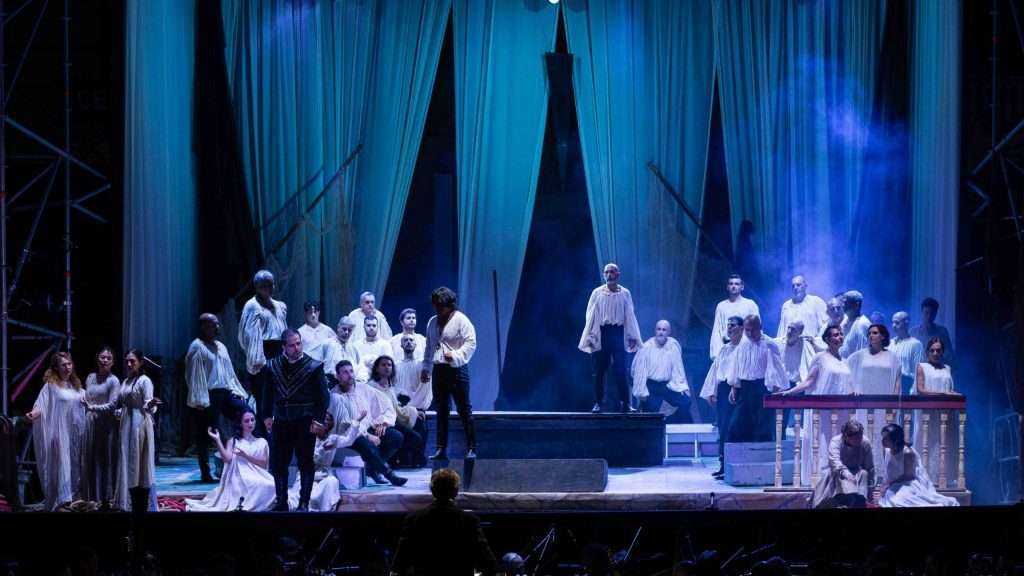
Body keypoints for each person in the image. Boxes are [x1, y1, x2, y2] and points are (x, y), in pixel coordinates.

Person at [259, 329, 330, 512]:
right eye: (292, 345)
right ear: (284, 347)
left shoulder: (313, 366)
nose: (296, 348)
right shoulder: (272, 366)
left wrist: (318, 420)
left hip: (305, 421)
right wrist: (266, 416)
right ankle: (281, 501)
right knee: (278, 463)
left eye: (298, 343)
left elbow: (323, 398)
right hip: (281, 421)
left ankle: (304, 503)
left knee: (305, 462)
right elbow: (266, 394)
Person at [83, 349, 160, 511]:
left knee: (139, 463)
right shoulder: (126, 381)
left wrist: (151, 404)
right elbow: (123, 405)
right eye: (127, 361)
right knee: (128, 462)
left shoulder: (144, 380)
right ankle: (128, 502)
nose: (129, 364)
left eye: (133, 361)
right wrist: (119, 413)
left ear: (141, 362)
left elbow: (148, 405)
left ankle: (141, 505)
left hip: (139, 424)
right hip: (126, 424)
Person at [390, 468, 498, 576]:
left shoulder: (414, 519)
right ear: (456, 491)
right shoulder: (469, 520)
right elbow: (488, 562)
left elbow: (400, 563)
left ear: (432, 490)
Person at [784, 326, 854, 485]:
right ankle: (822, 478)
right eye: (835, 335)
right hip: (823, 410)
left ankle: (839, 477)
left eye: (841, 334)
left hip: (841, 410)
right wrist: (790, 392)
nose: (839, 337)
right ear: (827, 339)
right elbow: (809, 381)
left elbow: (846, 384)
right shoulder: (820, 358)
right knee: (823, 442)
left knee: (839, 442)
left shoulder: (845, 361)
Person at [185, 313, 250, 482]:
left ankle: (244, 459)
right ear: (204, 327)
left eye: (217, 324)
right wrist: (199, 400)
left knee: (245, 412)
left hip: (225, 392)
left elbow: (228, 372)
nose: (216, 327)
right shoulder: (197, 347)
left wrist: (235, 390)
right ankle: (206, 471)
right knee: (207, 432)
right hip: (207, 394)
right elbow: (194, 376)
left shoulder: (220, 346)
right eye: (213, 324)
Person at [329, 360, 408, 485]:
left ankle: (373, 469)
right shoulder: (335, 396)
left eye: (351, 371)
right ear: (338, 376)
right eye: (345, 372)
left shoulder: (363, 388)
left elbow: (386, 403)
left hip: (368, 428)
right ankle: (389, 474)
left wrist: (383, 423)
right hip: (349, 434)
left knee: (396, 436)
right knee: (365, 444)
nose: (350, 375)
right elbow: (345, 425)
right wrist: (368, 436)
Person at [422, 286, 479, 459]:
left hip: (456, 370)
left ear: (450, 305)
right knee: (441, 409)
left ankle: (471, 447)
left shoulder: (461, 320)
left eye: (441, 306)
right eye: (436, 305)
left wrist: (455, 355)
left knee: (463, 409)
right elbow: (429, 346)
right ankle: (441, 448)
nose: (438, 309)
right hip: (439, 370)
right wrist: (426, 368)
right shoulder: (432, 322)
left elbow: (471, 343)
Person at [578, 263, 643, 413]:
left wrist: (632, 335)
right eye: (606, 272)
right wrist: (590, 336)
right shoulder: (597, 293)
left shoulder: (625, 293)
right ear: (604, 275)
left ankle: (625, 403)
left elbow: (630, 316)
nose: (609, 275)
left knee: (621, 370)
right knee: (599, 371)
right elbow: (590, 316)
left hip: (618, 333)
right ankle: (598, 403)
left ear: (618, 274)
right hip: (602, 333)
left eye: (612, 272)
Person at [26, 352, 87, 510]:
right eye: (63, 365)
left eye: (69, 364)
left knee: (74, 465)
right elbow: (41, 404)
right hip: (59, 434)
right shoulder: (51, 386)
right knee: (61, 467)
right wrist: (33, 414)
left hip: (74, 434)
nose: (67, 367)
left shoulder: (76, 386)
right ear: (56, 368)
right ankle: (61, 501)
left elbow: (85, 401)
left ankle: (74, 499)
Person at [185, 410, 276, 512]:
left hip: (258, 475)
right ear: (241, 424)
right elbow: (227, 459)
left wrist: (246, 456)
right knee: (257, 485)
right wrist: (218, 440)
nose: (250, 423)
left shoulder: (262, 442)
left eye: (252, 420)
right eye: (246, 421)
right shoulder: (233, 441)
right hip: (239, 477)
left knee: (272, 485)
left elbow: (264, 464)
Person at [239, 270, 288, 435]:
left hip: (279, 354)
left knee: (279, 398)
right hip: (262, 356)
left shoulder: (279, 306)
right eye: (266, 285)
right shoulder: (252, 306)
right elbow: (249, 337)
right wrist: (259, 363)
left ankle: (278, 436)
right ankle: (264, 438)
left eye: (271, 284)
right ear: (257, 287)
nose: (270, 288)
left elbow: (283, 331)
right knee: (263, 400)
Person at [846, 324, 901, 469]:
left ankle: (884, 471)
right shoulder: (859, 355)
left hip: (885, 404)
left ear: (883, 336)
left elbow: (897, 382)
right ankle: (866, 469)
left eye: (875, 333)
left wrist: (894, 404)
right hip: (865, 404)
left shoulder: (892, 357)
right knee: (867, 435)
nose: (871, 335)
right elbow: (846, 372)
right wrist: (853, 390)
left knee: (884, 436)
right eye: (869, 333)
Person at [726, 315, 787, 443]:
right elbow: (736, 366)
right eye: (747, 330)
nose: (750, 333)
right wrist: (733, 388)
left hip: (762, 388)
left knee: (762, 427)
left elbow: (776, 369)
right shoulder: (743, 344)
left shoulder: (769, 344)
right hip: (745, 389)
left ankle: (762, 454)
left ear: (760, 327)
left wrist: (775, 390)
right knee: (736, 427)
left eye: (753, 330)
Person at [700, 316, 744, 478]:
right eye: (728, 325)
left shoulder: (744, 348)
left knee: (734, 427)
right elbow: (715, 370)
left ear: (741, 328)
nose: (729, 328)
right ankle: (723, 464)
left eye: (733, 325)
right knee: (723, 427)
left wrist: (735, 387)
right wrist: (711, 391)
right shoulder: (725, 349)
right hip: (724, 389)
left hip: (738, 390)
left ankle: (735, 465)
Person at [912, 337, 961, 483]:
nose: (935, 353)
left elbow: (949, 389)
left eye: (938, 350)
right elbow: (921, 390)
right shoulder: (922, 367)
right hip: (928, 413)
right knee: (928, 443)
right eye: (932, 350)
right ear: (927, 352)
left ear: (942, 352)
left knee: (944, 444)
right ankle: (926, 478)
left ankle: (944, 478)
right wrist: (943, 394)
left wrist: (954, 395)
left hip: (945, 414)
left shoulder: (947, 368)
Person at [877, 424, 958, 507]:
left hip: (907, 483)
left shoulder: (907, 453)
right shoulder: (886, 451)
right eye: (883, 437)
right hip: (893, 483)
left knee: (898, 500)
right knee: (887, 498)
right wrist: (884, 486)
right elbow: (888, 471)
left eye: (886, 438)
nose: (882, 441)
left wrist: (889, 484)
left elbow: (908, 476)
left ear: (895, 439)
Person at [369, 356, 424, 469]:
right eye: (383, 365)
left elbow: (396, 408)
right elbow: (369, 409)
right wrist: (381, 422)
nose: (387, 367)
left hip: (391, 420)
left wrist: (414, 411)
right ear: (377, 368)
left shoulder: (390, 387)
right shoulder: (371, 386)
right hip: (377, 422)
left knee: (416, 437)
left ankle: (397, 459)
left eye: (389, 365)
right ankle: (380, 464)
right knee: (398, 436)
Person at [630, 320, 690, 418]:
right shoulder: (646, 347)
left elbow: (678, 369)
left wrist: (683, 387)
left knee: (686, 402)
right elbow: (639, 372)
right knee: (650, 413)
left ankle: (669, 421)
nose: (661, 332)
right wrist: (641, 391)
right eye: (659, 329)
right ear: (655, 331)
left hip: (667, 386)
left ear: (669, 332)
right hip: (651, 386)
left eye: (664, 330)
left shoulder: (673, 346)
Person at [82, 346, 119, 504]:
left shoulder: (113, 380)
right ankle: (91, 497)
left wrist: (93, 408)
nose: (105, 360)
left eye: (108, 358)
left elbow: (112, 405)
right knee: (90, 458)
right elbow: (86, 397)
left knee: (105, 459)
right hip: (90, 421)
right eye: (102, 357)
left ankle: (106, 498)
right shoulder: (90, 377)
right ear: (97, 359)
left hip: (105, 423)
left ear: (113, 362)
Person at [811, 419, 874, 508]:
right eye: (856, 438)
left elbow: (869, 466)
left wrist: (871, 487)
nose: (859, 440)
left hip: (856, 472)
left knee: (864, 473)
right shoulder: (836, 441)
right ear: (846, 436)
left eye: (860, 437)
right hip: (838, 472)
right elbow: (835, 462)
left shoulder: (865, 442)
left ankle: (858, 501)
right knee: (833, 475)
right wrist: (846, 474)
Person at [286, 412, 341, 512]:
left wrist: (356, 423)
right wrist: (322, 449)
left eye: (328, 420)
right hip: (307, 477)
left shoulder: (332, 439)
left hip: (323, 477)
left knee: (332, 481)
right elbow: (310, 459)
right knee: (299, 496)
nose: (325, 422)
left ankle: (326, 513)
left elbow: (348, 440)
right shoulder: (306, 439)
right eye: (323, 419)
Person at [773, 321, 815, 439]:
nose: (789, 331)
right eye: (789, 328)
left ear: (800, 332)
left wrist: (814, 342)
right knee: (780, 416)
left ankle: (805, 440)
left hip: (798, 384)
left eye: (794, 329)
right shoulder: (778, 343)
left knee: (803, 416)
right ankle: (779, 440)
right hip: (782, 383)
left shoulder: (805, 344)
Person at [710, 274, 759, 360]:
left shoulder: (750, 305)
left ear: (742, 287)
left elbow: (756, 328)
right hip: (727, 349)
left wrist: (756, 350)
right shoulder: (721, 306)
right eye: (731, 284)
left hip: (746, 348)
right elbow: (717, 330)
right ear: (727, 287)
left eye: (737, 284)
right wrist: (716, 355)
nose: (733, 286)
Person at [776, 275, 829, 344]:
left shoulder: (816, 302)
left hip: (810, 346)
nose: (795, 288)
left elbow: (826, 324)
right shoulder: (786, 306)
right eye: (793, 286)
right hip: (791, 346)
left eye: (798, 285)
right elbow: (782, 329)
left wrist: (817, 342)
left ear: (805, 286)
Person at [321, 316, 368, 385]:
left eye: (349, 330)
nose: (346, 332)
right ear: (338, 328)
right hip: (331, 383)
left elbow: (360, 367)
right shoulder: (327, 344)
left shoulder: (353, 348)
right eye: (344, 329)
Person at [911, 297, 955, 366]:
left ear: (935, 314)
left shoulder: (942, 332)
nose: (929, 317)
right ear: (922, 312)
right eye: (926, 313)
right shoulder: (913, 332)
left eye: (932, 314)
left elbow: (950, 356)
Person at [890, 311, 924, 397]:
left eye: (897, 323)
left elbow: (918, 371)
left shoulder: (916, 344)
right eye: (892, 322)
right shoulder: (889, 344)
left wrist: (913, 392)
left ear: (906, 323)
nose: (894, 325)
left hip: (906, 388)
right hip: (890, 386)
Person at [838, 291, 870, 359]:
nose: (843, 305)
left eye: (846, 303)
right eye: (843, 303)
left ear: (857, 305)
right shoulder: (844, 322)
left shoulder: (862, 324)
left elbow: (862, 352)